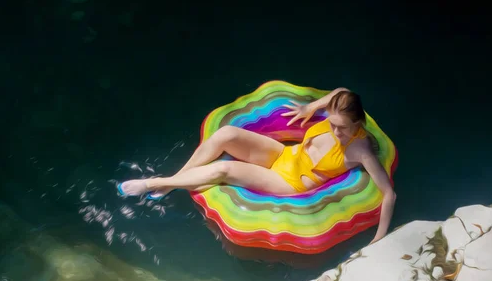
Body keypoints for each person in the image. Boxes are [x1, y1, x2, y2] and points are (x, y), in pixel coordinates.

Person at [118, 88, 397, 245]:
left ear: (358, 124)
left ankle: (155, 183)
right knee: (226, 134)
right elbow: (339, 92)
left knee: (223, 171)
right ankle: (176, 179)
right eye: (332, 123)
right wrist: (309, 109)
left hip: (292, 182)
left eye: (343, 128)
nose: (336, 131)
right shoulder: (341, 103)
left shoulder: (361, 149)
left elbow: (388, 194)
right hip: (286, 155)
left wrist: (380, 235)